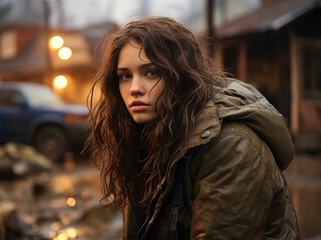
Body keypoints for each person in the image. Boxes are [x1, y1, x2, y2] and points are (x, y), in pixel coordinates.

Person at [85, 16, 300, 239]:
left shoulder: (231, 145)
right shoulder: (147, 138)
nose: (135, 88)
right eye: (125, 76)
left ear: (182, 77)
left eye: (152, 72)